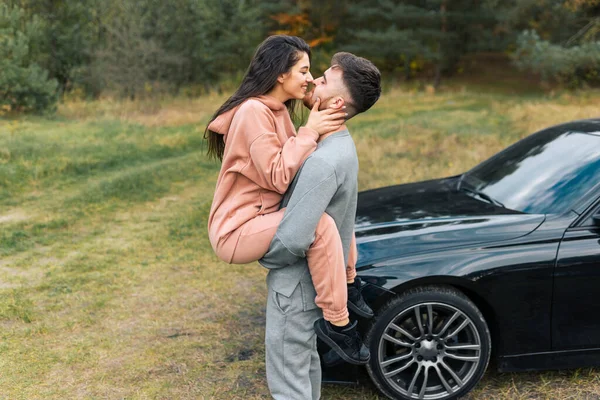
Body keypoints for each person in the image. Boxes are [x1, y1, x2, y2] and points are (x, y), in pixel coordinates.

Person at [205, 36, 371, 355]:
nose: (310, 79)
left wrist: (316, 132)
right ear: (281, 74)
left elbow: (294, 166)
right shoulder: (253, 112)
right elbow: (280, 176)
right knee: (321, 225)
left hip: (263, 216)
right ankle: (339, 324)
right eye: (304, 71)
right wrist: (310, 131)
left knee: (330, 214)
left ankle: (349, 285)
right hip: (236, 229)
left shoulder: (277, 110)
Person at [260, 52, 382, 399]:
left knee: (289, 382)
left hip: (295, 289)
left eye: (324, 80)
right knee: (305, 369)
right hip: (315, 282)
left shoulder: (323, 162)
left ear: (338, 101)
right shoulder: (341, 145)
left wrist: (265, 257)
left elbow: (294, 237)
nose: (314, 80)